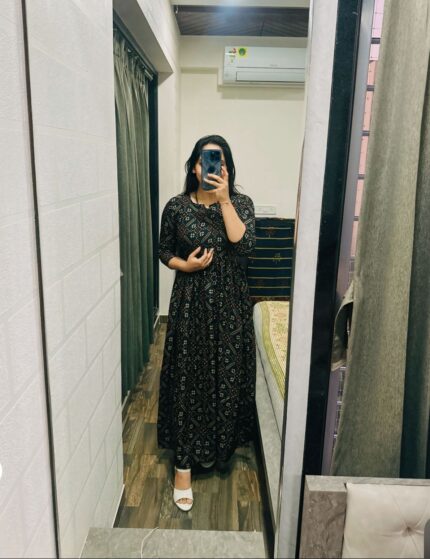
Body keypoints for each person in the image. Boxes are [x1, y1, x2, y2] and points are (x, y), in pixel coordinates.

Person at [157, 134, 256, 511]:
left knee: (225, 376)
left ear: (227, 169)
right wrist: (186, 265)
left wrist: (225, 199)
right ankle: (183, 464)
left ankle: (218, 446)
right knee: (189, 377)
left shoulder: (241, 204)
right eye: (205, 161)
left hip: (230, 305)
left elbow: (243, 245)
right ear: (194, 167)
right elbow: (164, 250)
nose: (212, 167)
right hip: (191, 302)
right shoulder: (177, 206)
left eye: (220, 162)